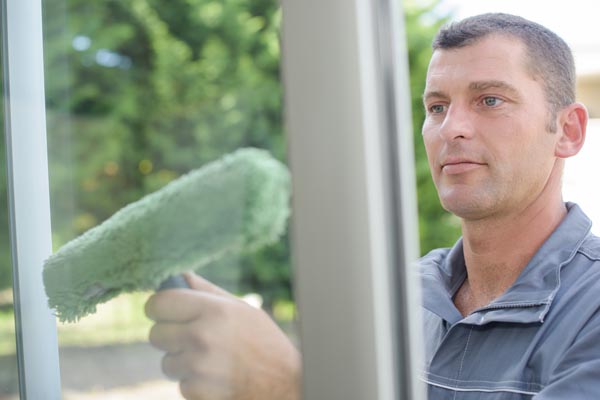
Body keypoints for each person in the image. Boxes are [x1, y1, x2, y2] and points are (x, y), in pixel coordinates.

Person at [145, 12, 600, 400]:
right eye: (437, 107)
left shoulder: (591, 308)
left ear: (568, 131)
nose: (452, 128)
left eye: (490, 100)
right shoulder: (398, 296)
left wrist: (289, 385)